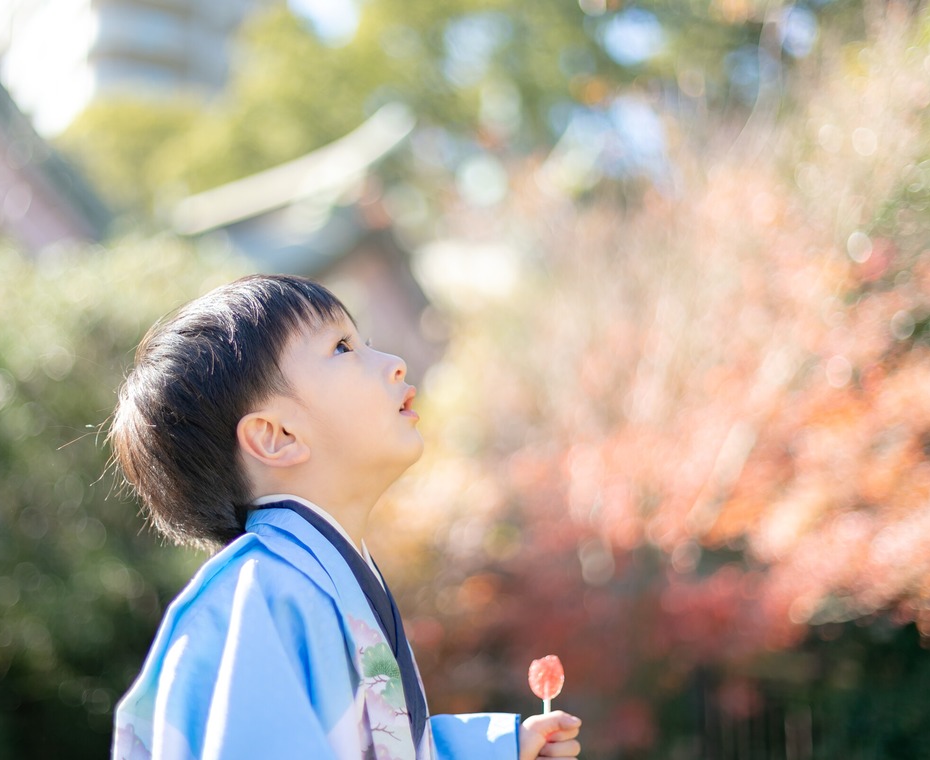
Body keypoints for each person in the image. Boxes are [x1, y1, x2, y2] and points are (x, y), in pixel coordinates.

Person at [108, 274, 582, 760]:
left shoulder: (298, 580)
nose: (395, 364)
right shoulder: (265, 595)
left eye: (365, 342)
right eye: (342, 347)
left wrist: (501, 749)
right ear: (277, 436)